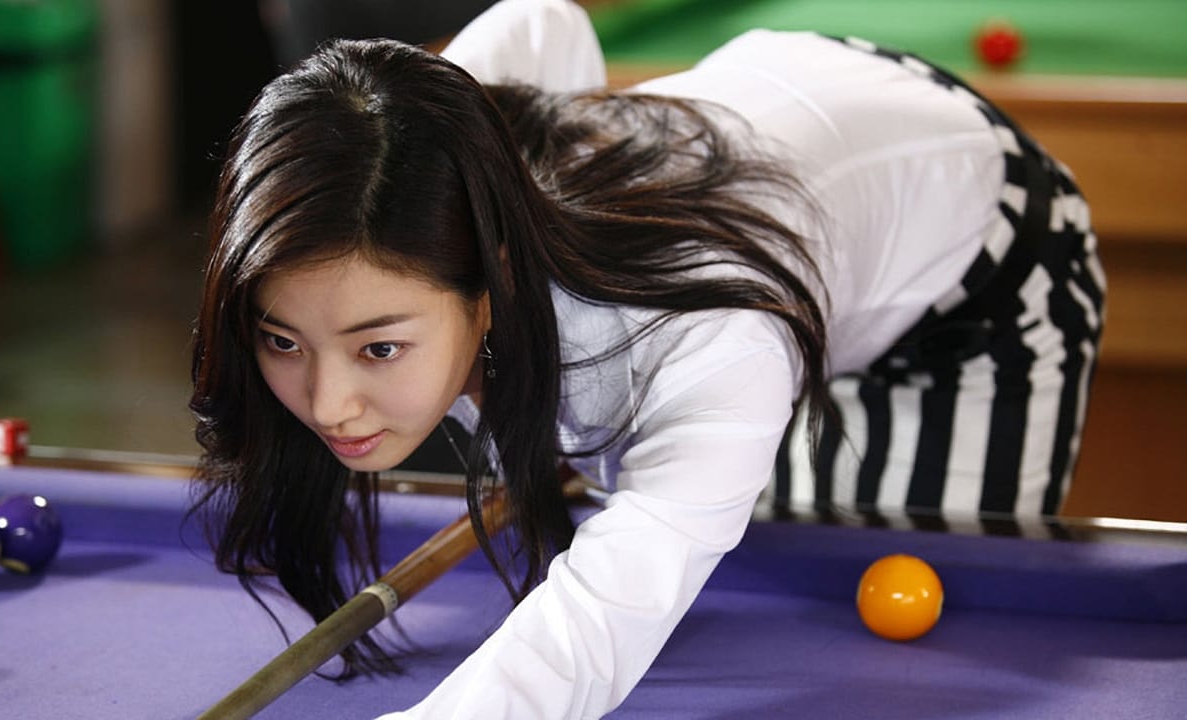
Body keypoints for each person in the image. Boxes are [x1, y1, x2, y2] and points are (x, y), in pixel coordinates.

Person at [189, 0, 1104, 716]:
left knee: (899, 646)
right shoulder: (429, 141)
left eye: (379, 347)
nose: (329, 403)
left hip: (980, 252)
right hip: (797, 139)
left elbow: (601, 615)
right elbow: (542, 22)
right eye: (281, 339)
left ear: (493, 278)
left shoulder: (706, 339)